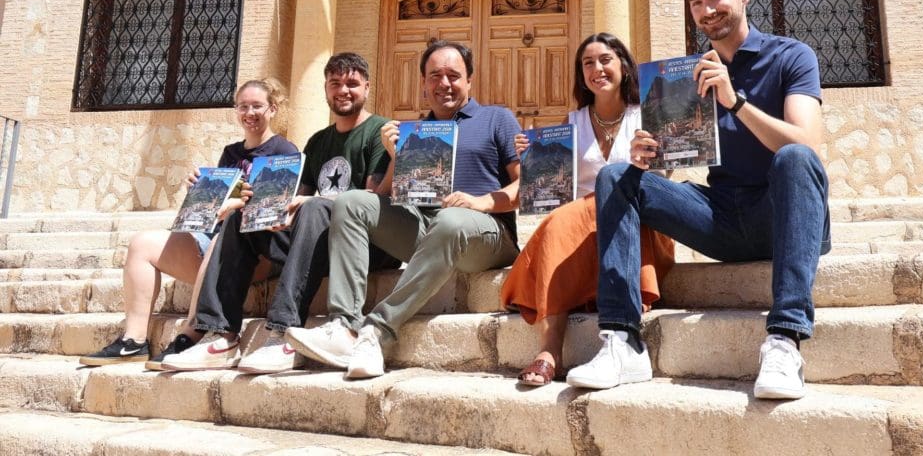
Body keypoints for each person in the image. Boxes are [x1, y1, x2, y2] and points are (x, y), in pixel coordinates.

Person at [566, 0, 830, 400]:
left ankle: (785, 340)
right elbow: (673, 162)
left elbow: (808, 143)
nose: (706, 10)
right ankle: (623, 340)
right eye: (695, 2)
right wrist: (650, 157)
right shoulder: (686, 75)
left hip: (782, 217)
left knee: (794, 159)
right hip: (721, 219)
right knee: (616, 175)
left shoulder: (791, 56)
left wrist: (735, 101)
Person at [285, 40, 521, 379]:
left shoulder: (497, 119)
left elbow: (527, 184)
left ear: (469, 79)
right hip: (427, 229)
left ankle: (377, 330)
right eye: (435, 76)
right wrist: (396, 155)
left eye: (453, 75)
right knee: (352, 202)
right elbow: (384, 196)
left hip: (487, 234)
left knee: (451, 220)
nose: (444, 83)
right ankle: (343, 326)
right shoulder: (414, 131)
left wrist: (482, 201)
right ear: (424, 83)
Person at [162, 52, 399, 373]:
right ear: (326, 88)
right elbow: (297, 200)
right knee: (240, 218)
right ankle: (221, 336)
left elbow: (373, 198)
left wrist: (311, 204)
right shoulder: (318, 141)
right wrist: (273, 215)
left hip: (365, 246)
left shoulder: (379, 131)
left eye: (352, 84)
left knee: (316, 207)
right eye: (335, 83)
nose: (343, 90)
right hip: (320, 243)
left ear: (367, 88)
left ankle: (282, 333)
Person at [80, 78, 296, 368]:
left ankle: (190, 336)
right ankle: (133, 341)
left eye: (257, 106)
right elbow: (219, 207)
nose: (250, 113)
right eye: (243, 106)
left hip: (256, 252)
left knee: (221, 238)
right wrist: (201, 190)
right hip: (215, 242)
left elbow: (275, 210)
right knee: (142, 244)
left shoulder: (284, 151)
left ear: (273, 109)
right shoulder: (231, 153)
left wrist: (236, 205)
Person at [500, 33, 675, 386]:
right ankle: (550, 350)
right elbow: (556, 187)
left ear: (624, 66)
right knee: (559, 221)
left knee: (578, 216)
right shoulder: (572, 123)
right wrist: (532, 161)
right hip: (581, 223)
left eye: (605, 60)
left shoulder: (648, 115)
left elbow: (664, 179)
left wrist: (650, 159)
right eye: (588, 63)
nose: (597, 69)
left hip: (635, 217)